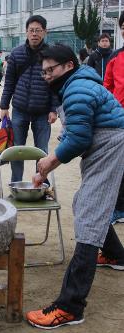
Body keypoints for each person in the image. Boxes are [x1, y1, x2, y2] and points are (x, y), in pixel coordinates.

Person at [26, 44, 124, 330]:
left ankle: (70, 306)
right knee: (86, 203)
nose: (46, 76)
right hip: (106, 145)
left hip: (111, 146)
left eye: (50, 70)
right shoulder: (76, 84)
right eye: (43, 72)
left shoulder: (77, 88)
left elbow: (80, 138)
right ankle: (116, 255)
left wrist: (47, 164)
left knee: (89, 215)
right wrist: (51, 160)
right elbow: (75, 131)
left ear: (68, 66)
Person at [0, 15, 59, 182]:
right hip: (19, 109)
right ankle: (16, 183)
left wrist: (54, 109)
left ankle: (42, 183)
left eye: (38, 30)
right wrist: (4, 106)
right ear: (26, 32)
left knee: (41, 151)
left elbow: (56, 84)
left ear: (45, 32)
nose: (34, 34)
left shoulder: (51, 54)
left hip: (42, 112)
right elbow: (9, 82)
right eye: (31, 30)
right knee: (17, 150)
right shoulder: (17, 54)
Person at [104, 11, 124, 224]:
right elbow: (107, 86)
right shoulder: (116, 56)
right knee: (120, 165)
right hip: (120, 119)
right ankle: (119, 208)